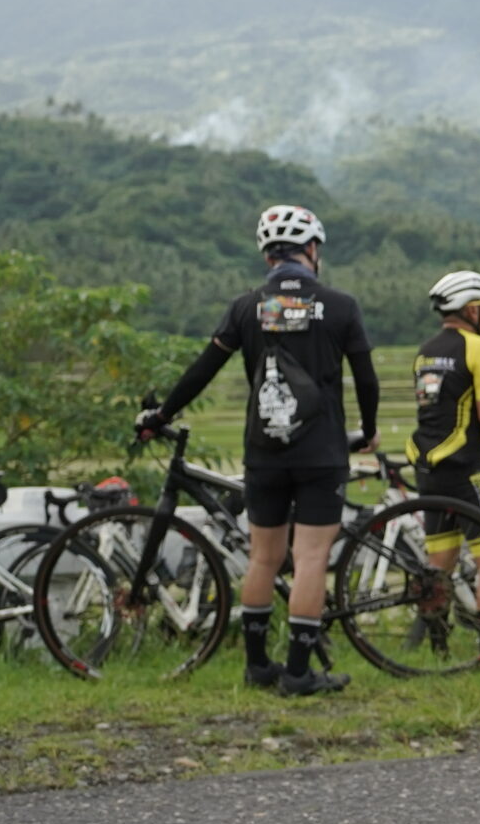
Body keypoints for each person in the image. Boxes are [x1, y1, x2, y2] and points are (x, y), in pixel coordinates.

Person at [138, 206, 377, 695]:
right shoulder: (341, 305)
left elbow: (203, 369)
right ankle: (297, 673)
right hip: (319, 452)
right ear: (312, 250)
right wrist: (369, 428)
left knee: (264, 558)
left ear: (268, 254)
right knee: (310, 558)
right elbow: (366, 378)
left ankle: (257, 665)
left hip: (264, 451)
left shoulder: (246, 307)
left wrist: (162, 415)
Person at [413, 270, 480, 651]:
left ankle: (438, 648)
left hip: (428, 468)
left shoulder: (425, 350)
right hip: (465, 468)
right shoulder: (478, 347)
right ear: (472, 309)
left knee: (439, 562)